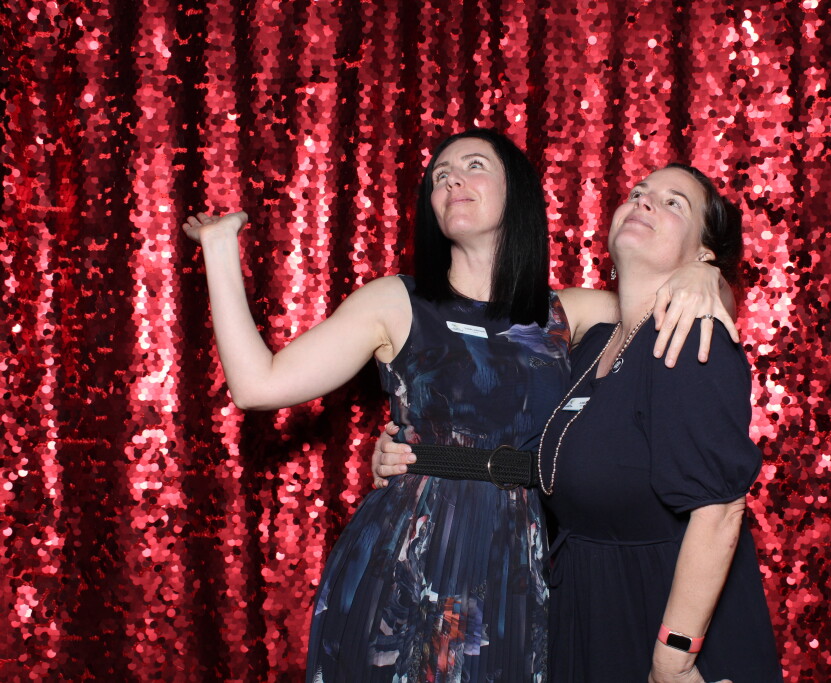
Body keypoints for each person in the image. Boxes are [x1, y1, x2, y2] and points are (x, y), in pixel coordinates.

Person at [182, 130, 733, 682]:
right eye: (440, 175)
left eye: (473, 166)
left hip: (521, 569)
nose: (451, 180)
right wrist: (219, 248)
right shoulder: (394, 301)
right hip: (405, 560)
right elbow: (257, 386)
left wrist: (705, 274)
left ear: (516, 192)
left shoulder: (569, 313)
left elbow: (668, 304)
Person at [538, 164, 781, 681]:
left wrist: (674, 659)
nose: (643, 201)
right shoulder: (591, 344)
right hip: (590, 615)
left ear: (703, 253)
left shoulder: (689, 336)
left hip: (666, 627)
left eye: (675, 203)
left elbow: (719, 509)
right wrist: (417, 451)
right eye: (637, 193)